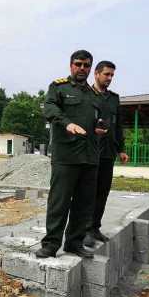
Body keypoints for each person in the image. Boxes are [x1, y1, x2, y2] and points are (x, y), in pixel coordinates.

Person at [35, 50, 107, 259]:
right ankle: (50, 245)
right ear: (70, 66)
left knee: (84, 204)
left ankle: (74, 243)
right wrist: (67, 124)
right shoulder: (59, 87)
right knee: (59, 202)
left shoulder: (95, 96)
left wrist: (100, 129)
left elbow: (98, 120)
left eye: (86, 65)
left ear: (90, 68)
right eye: (78, 64)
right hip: (66, 156)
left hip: (90, 156)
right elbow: (49, 108)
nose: (82, 68)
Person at [84, 60, 129, 248]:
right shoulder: (85, 95)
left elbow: (118, 126)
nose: (109, 78)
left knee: (102, 192)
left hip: (108, 153)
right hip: (89, 151)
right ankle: (85, 230)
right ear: (96, 74)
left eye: (112, 75)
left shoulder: (113, 99)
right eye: (106, 74)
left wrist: (121, 149)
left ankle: (95, 227)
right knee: (88, 193)